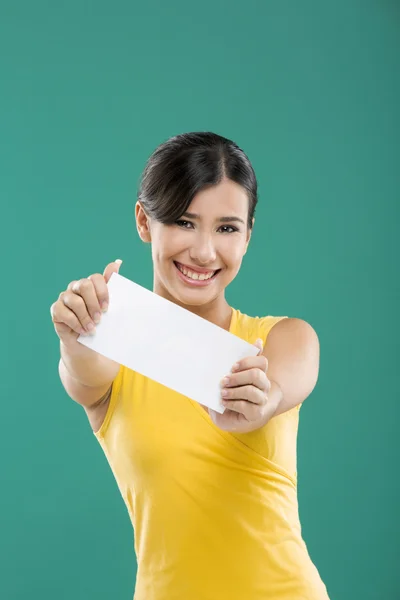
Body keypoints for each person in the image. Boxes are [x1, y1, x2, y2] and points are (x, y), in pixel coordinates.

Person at [50, 132, 330, 600]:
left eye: (226, 228)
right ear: (144, 220)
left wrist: (262, 401)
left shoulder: (279, 339)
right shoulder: (110, 360)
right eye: (184, 221)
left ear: (248, 235)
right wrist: (78, 327)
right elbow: (82, 369)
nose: (204, 252)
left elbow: (284, 380)